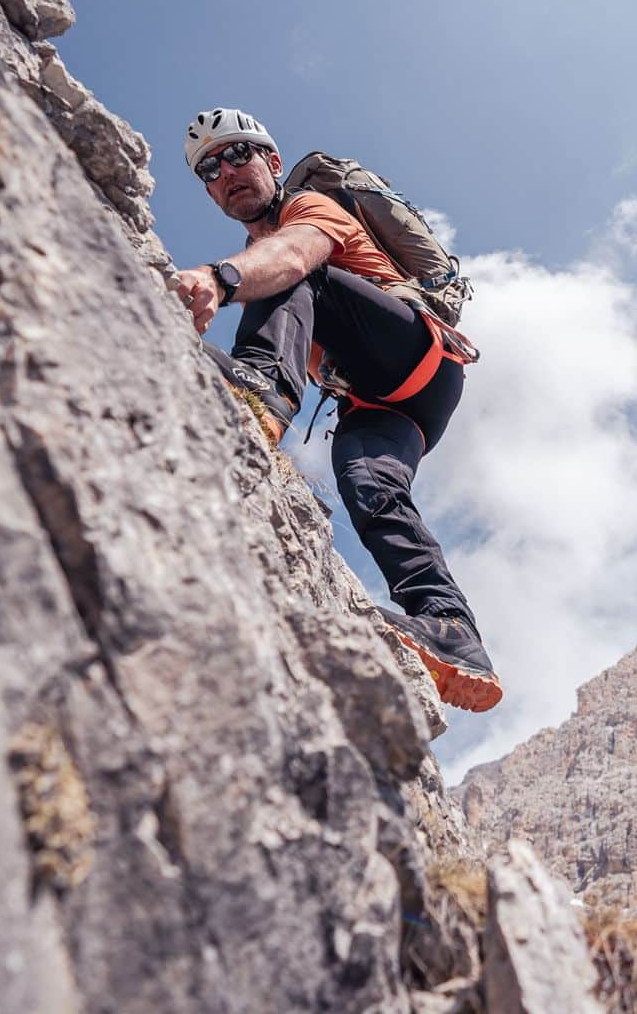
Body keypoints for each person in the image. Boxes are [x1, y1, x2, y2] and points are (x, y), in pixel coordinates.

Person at [176, 108, 502, 713]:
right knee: (368, 483)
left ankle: (259, 393)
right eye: (209, 171)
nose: (225, 173)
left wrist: (221, 280)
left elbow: (297, 259)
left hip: (414, 353)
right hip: (386, 403)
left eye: (237, 155)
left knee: (294, 278)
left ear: (273, 163)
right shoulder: (261, 256)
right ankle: (453, 632)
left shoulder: (307, 211)